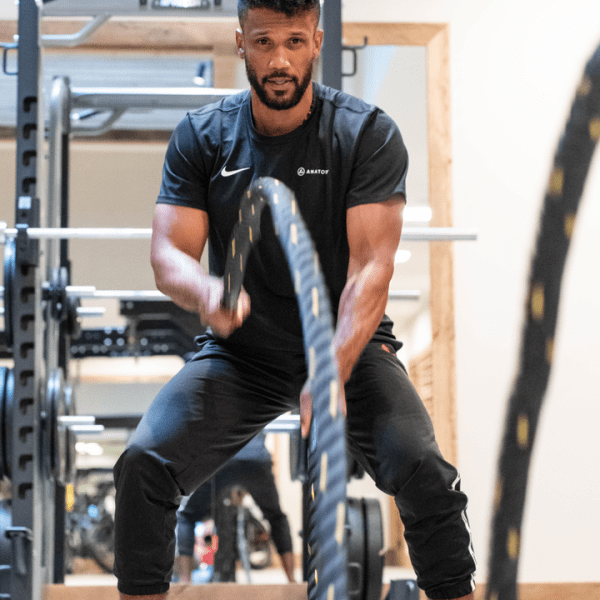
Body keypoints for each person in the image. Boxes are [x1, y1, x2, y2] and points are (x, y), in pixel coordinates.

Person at [112, 1, 477, 599]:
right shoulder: (204, 137)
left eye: (293, 41)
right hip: (240, 356)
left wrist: (331, 367)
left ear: (316, 40)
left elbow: (371, 268)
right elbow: (167, 256)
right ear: (240, 43)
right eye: (262, 42)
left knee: (424, 470)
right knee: (144, 466)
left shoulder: (365, 133)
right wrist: (207, 290)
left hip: (348, 348)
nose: (279, 60)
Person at [174, 434, 296, 583]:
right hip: (255, 458)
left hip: (219, 459)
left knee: (186, 517)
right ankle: (291, 579)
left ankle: (185, 580)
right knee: (276, 517)